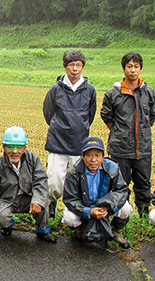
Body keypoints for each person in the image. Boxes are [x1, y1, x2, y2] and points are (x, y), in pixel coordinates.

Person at [100, 52, 155, 217]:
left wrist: (141, 130)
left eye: (136, 66)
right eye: (129, 66)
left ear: (140, 68)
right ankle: (121, 218)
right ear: (124, 68)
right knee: (120, 184)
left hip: (143, 148)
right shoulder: (113, 93)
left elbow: (152, 116)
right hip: (120, 148)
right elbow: (106, 116)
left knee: (143, 184)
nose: (133, 70)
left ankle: (143, 216)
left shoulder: (148, 92)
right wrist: (119, 131)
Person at [43, 50, 97, 218]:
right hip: (57, 143)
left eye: (78, 65)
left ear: (82, 67)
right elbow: (48, 113)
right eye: (71, 65)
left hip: (79, 145)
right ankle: (50, 206)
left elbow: (91, 115)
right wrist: (59, 126)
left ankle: (75, 215)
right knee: (54, 182)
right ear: (65, 67)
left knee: (78, 183)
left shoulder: (89, 90)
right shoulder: (55, 89)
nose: (75, 69)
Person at [0, 126, 57, 246]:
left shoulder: (33, 159)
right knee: (1, 216)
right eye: (10, 147)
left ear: (25, 148)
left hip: (28, 198)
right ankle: (7, 225)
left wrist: (37, 200)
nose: (15, 151)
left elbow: (41, 181)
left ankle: (42, 230)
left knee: (45, 200)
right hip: (7, 202)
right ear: (3, 147)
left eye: (19, 147)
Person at [62, 137, 132, 250]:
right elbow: (70, 199)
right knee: (69, 217)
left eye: (97, 155)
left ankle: (115, 230)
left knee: (126, 208)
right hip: (85, 206)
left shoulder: (112, 168)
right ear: (83, 156)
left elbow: (122, 190)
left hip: (105, 206)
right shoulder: (74, 172)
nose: (93, 160)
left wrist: (107, 206)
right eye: (89, 155)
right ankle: (83, 228)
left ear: (102, 157)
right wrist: (89, 212)